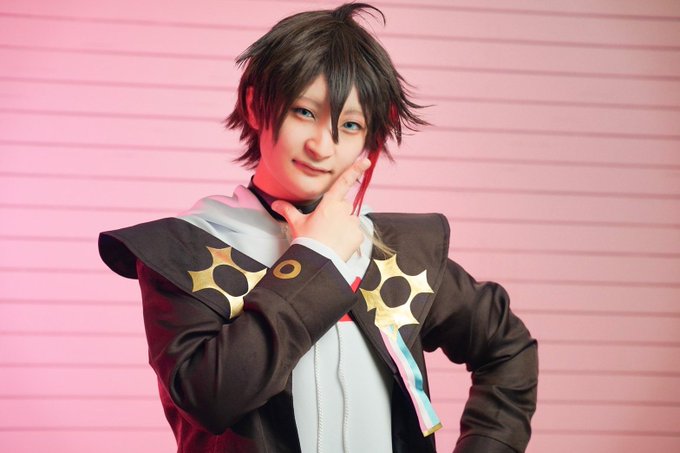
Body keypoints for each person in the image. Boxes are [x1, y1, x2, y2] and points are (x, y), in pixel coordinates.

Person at [98, 3, 538, 452]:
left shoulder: (395, 252)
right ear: (255, 104)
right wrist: (316, 258)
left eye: (350, 125)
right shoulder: (185, 251)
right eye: (304, 112)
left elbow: (507, 348)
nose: (322, 146)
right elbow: (209, 398)